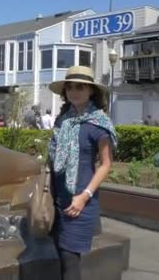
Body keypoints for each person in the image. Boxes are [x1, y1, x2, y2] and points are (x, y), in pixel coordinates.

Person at [47, 65, 117, 280]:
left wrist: (84, 196)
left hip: (80, 200)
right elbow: (53, 158)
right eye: (70, 88)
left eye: (80, 87)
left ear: (91, 91)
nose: (74, 92)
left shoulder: (99, 123)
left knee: (70, 259)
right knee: (59, 252)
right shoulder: (63, 120)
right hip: (57, 197)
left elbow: (106, 164)